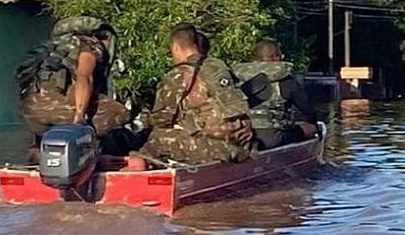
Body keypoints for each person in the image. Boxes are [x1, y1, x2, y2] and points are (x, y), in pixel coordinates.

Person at [135, 24, 255, 165]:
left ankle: (137, 173)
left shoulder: (179, 74)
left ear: (176, 47)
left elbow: (162, 119)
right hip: (242, 145)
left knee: (157, 138)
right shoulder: (218, 67)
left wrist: (144, 120)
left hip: (213, 149)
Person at [16, 16, 131, 161]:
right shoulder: (89, 45)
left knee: (50, 124)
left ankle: (37, 154)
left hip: (28, 113)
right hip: (58, 107)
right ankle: (92, 153)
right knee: (119, 113)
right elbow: (84, 76)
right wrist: (80, 115)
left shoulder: (52, 46)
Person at [234, 40, 318, 151]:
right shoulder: (286, 81)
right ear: (276, 57)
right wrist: (312, 124)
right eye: (280, 55)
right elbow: (308, 111)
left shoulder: (237, 79)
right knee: (311, 128)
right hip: (272, 139)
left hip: (241, 136)